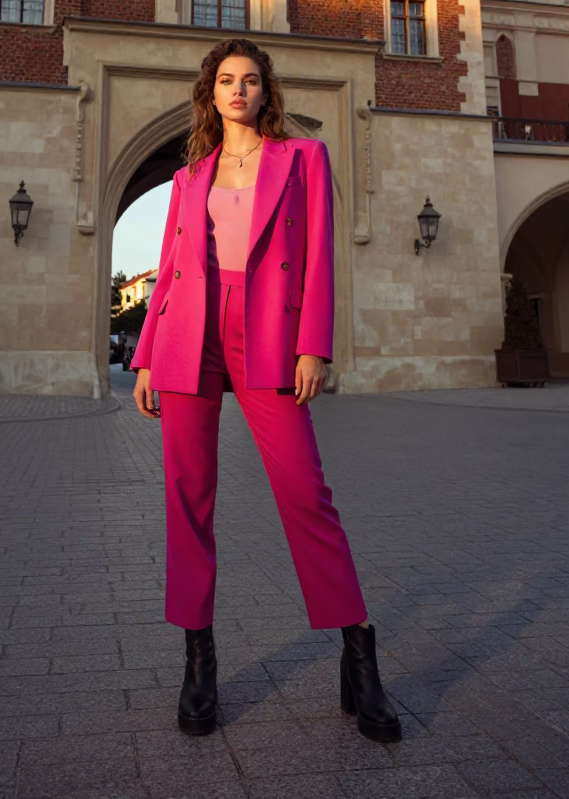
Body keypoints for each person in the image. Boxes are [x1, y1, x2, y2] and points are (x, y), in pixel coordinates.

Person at [131, 38, 400, 743]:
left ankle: (358, 651)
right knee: (187, 494)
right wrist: (147, 356)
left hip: (270, 331)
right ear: (210, 93)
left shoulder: (303, 157)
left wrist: (315, 344)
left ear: (265, 90)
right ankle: (199, 660)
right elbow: (168, 265)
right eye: (226, 80)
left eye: (250, 79)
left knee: (305, 492)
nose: (238, 90)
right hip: (189, 333)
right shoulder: (190, 176)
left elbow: (319, 255)